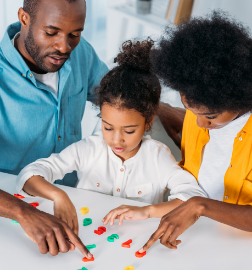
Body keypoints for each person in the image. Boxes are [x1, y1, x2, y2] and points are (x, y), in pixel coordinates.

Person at [16, 39, 206, 228]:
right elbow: (29, 174)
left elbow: (194, 197)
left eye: (129, 130)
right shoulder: (90, 149)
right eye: (107, 127)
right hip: (86, 236)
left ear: (148, 122)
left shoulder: (157, 156)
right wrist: (58, 195)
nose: (116, 139)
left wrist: (148, 211)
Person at [110, 11, 252, 253]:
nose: (198, 124)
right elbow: (191, 187)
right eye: (190, 110)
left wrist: (200, 206)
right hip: (195, 233)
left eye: (210, 117)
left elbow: (199, 203)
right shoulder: (199, 112)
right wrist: (148, 211)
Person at [0, 0, 107, 257]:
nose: (64, 47)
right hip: (6, 215)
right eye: (51, 32)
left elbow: (115, 96)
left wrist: (165, 110)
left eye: (75, 34)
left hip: (74, 202)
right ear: (24, 18)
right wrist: (23, 212)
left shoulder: (81, 53)